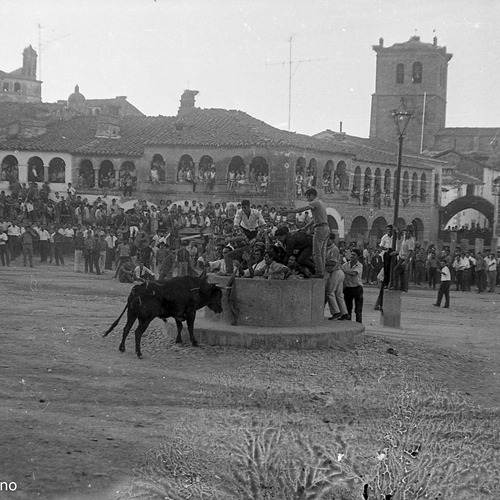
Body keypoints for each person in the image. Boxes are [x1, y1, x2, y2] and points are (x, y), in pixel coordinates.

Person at [286, 188, 329, 278]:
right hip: (325, 228)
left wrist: (289, 211)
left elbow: (302, 209)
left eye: (307, 197)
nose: (307, 199)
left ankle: (319, 272)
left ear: (312, 195)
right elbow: (314, 219)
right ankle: (321, 271)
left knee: (317, 252)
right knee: (322, 252)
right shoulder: (320, 203)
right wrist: (305, 227)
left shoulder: (315, 202)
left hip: (320, 229)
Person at [324, 232, 349, 320]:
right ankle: (344, 313)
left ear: (332, 240)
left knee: (330, 293)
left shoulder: (333, 249)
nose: (326, 241)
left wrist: (323, 263)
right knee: (339, 294)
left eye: (328, 240)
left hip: (336, 272)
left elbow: (333, 262)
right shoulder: (329, 248)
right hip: (339, 272)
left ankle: (336, 312)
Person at [342, 248, 364, 323]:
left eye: (354, 255)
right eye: (351, 254)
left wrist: (344, 271)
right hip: (348, 288)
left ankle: (358, 324)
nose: (352, 256)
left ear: (358, 257)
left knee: (358, 309)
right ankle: (349, 324)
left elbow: (354, 273)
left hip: (357, 288)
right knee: (348, 308)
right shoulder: (345, 265)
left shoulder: (359, 265)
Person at [391, 225, 415, 292]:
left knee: (396, 270)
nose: (405, 232)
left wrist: (406, 261)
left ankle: (396, 286)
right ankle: (403, 287)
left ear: (410, 232)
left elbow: (410, 252)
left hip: (405, 258)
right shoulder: (405, 237)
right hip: (401, 257)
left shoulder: (411, 241)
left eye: (406, 231)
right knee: (401, 273)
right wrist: (397, 229)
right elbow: (401, 233)